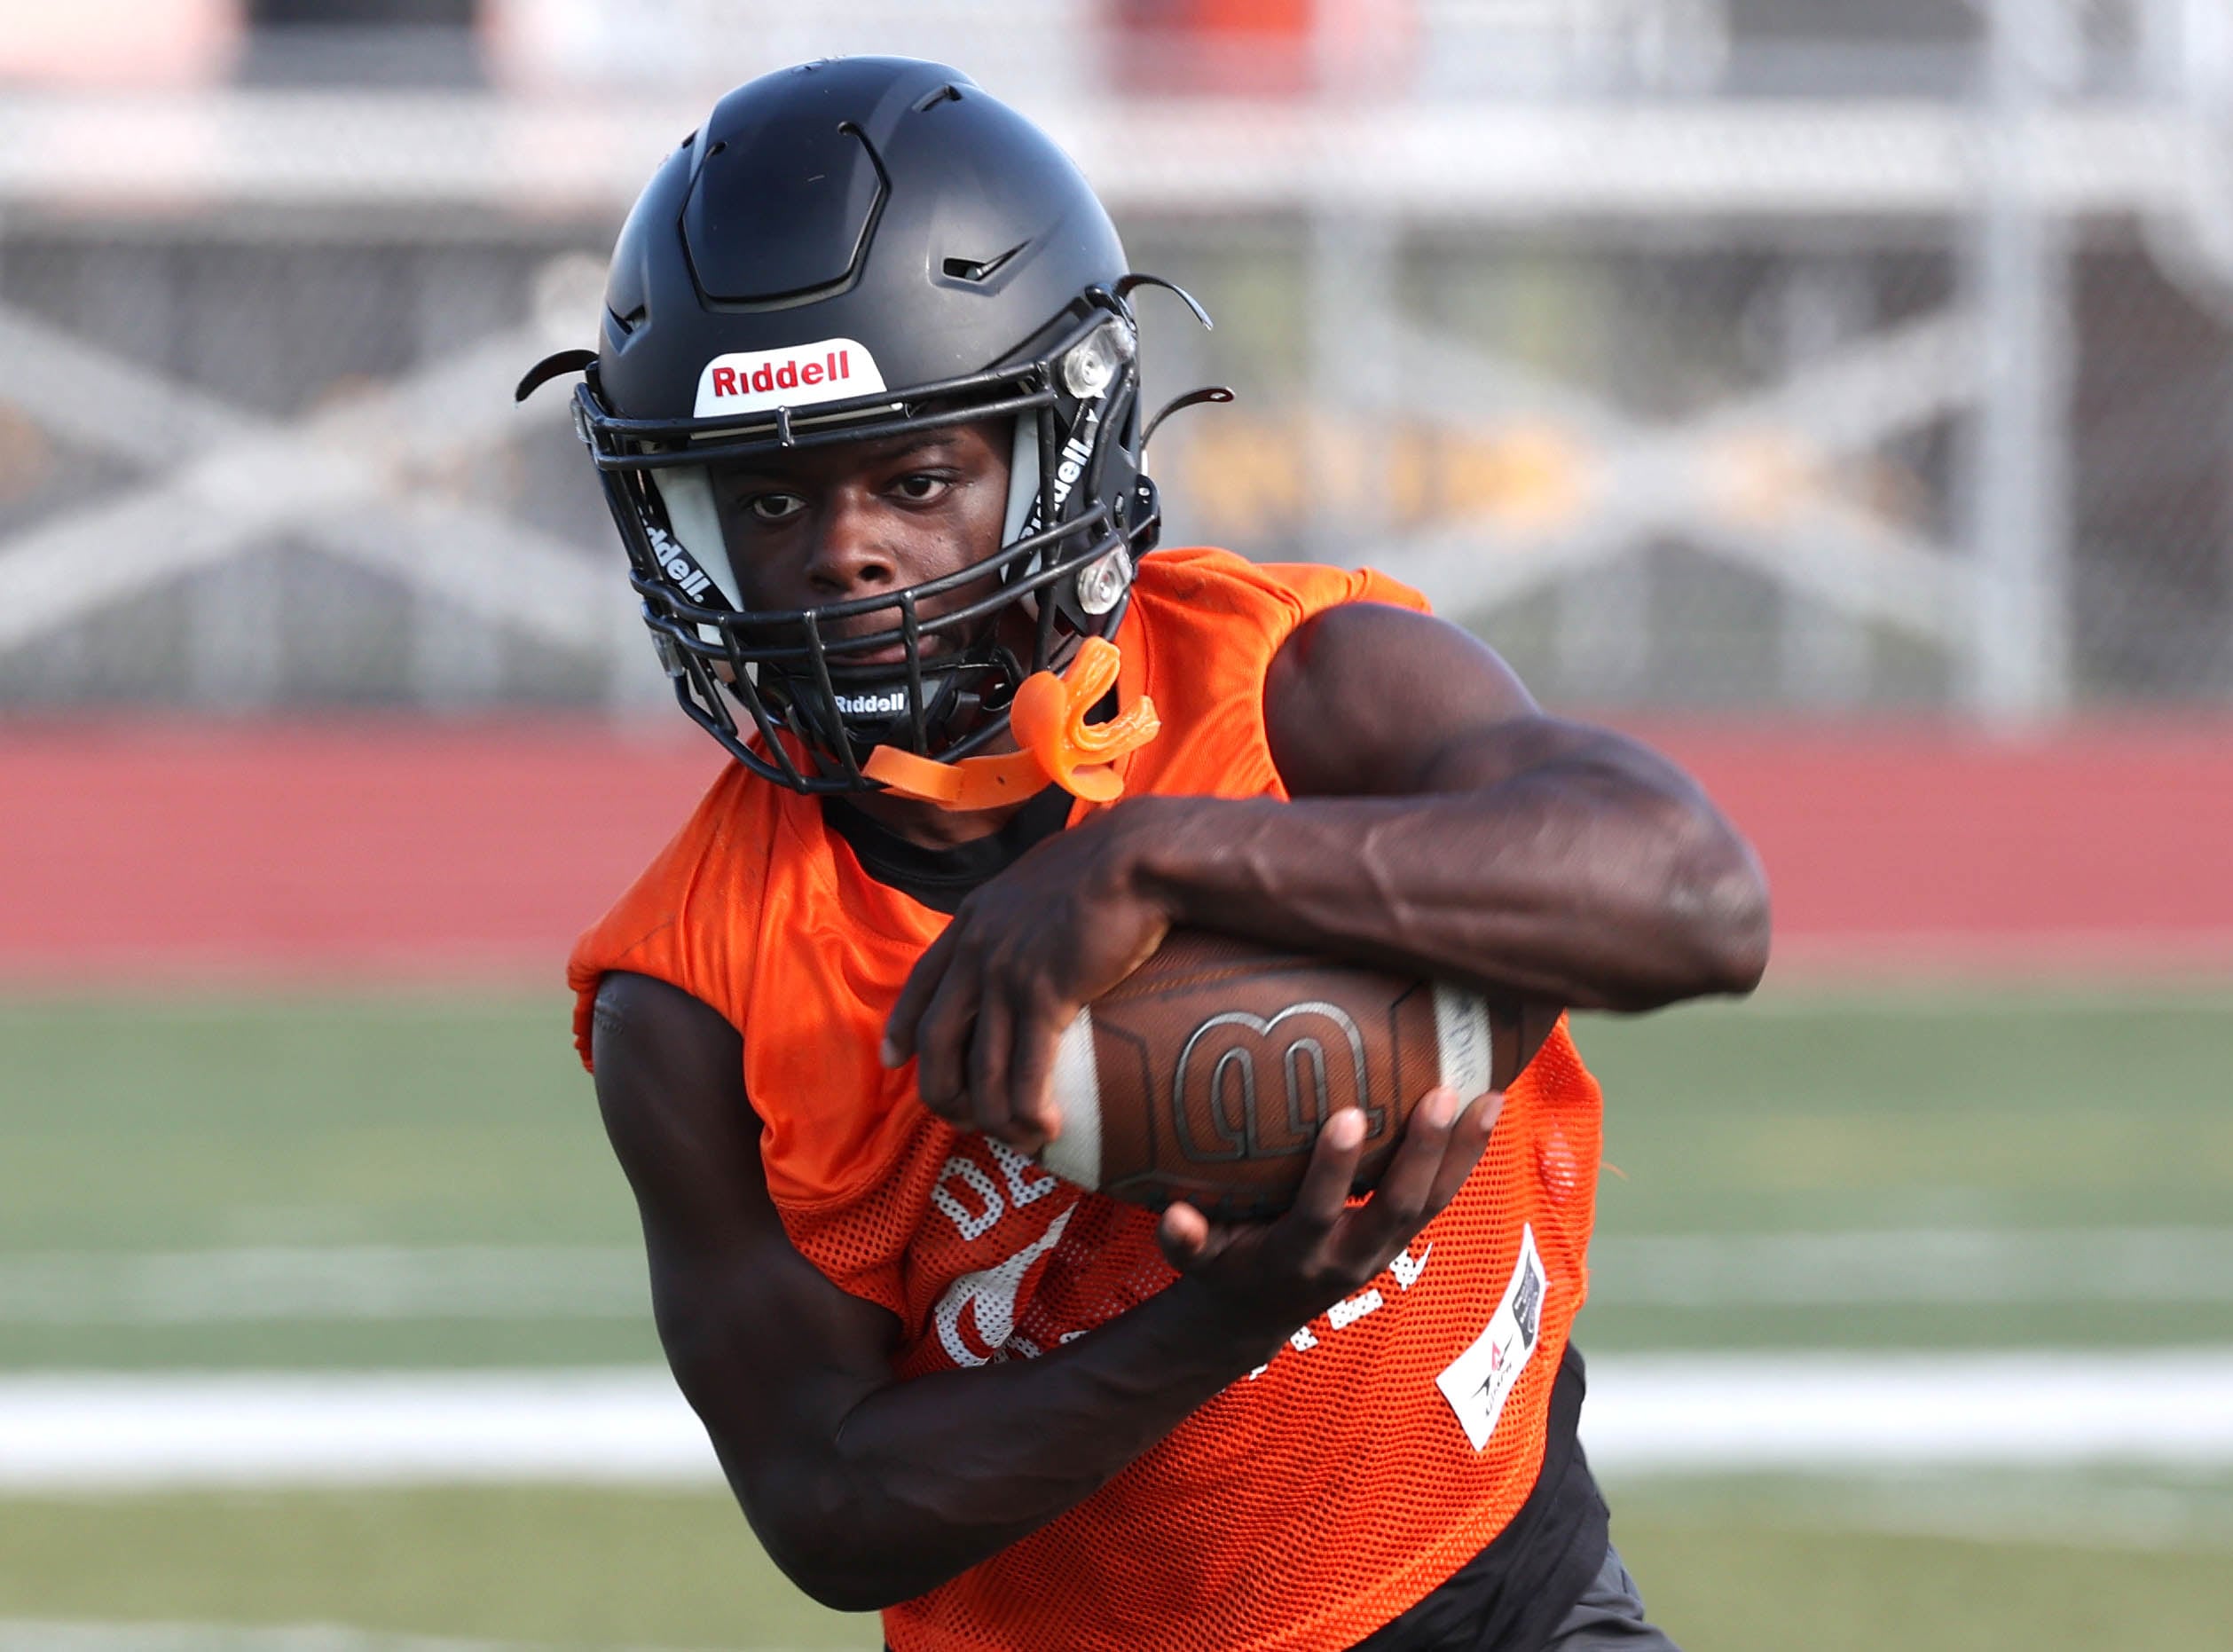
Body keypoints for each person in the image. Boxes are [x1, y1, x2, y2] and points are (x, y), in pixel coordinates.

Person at [531, 56, 1769, 1652]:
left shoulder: (1293, 679)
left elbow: (1696, 896)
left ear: (1057, 445)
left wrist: (1169, 860)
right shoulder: (694, 992)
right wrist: (1231, 1310)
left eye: (915, 479)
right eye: (767, 499)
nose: (843, 548)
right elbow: (829, 1506)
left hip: (1496, 1587)